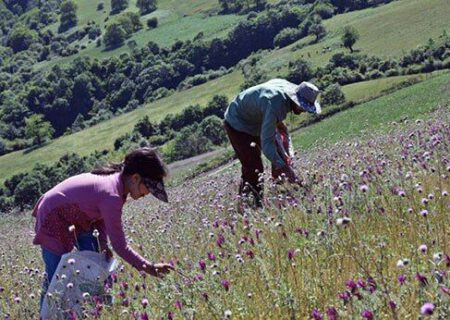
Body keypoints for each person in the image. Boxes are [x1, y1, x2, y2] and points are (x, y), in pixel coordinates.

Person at [32, 147, 174, 308]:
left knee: (98, 263)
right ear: (135, 178)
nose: (148, 193)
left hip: (79, 219)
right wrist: (151, 269)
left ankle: (100, 307)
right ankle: (47, 315)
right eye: (149, 188)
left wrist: (103, 243)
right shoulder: (112, 195)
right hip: (53, 215)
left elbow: (98, 216)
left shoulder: (117, 187)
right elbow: (120, 246)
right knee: (55, 276)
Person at [224, 79, 321, 207]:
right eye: (303, 107)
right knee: (254, 167)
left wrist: (287, 153)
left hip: (256, 118)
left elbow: (281, 129)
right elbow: (267, 144)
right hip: (237, 122)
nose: (304, 111)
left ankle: (280, 194)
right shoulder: (275, 104)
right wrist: (285, 168)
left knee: (279, 158)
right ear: (295, 100)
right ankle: (249, 206)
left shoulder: (283, 96)